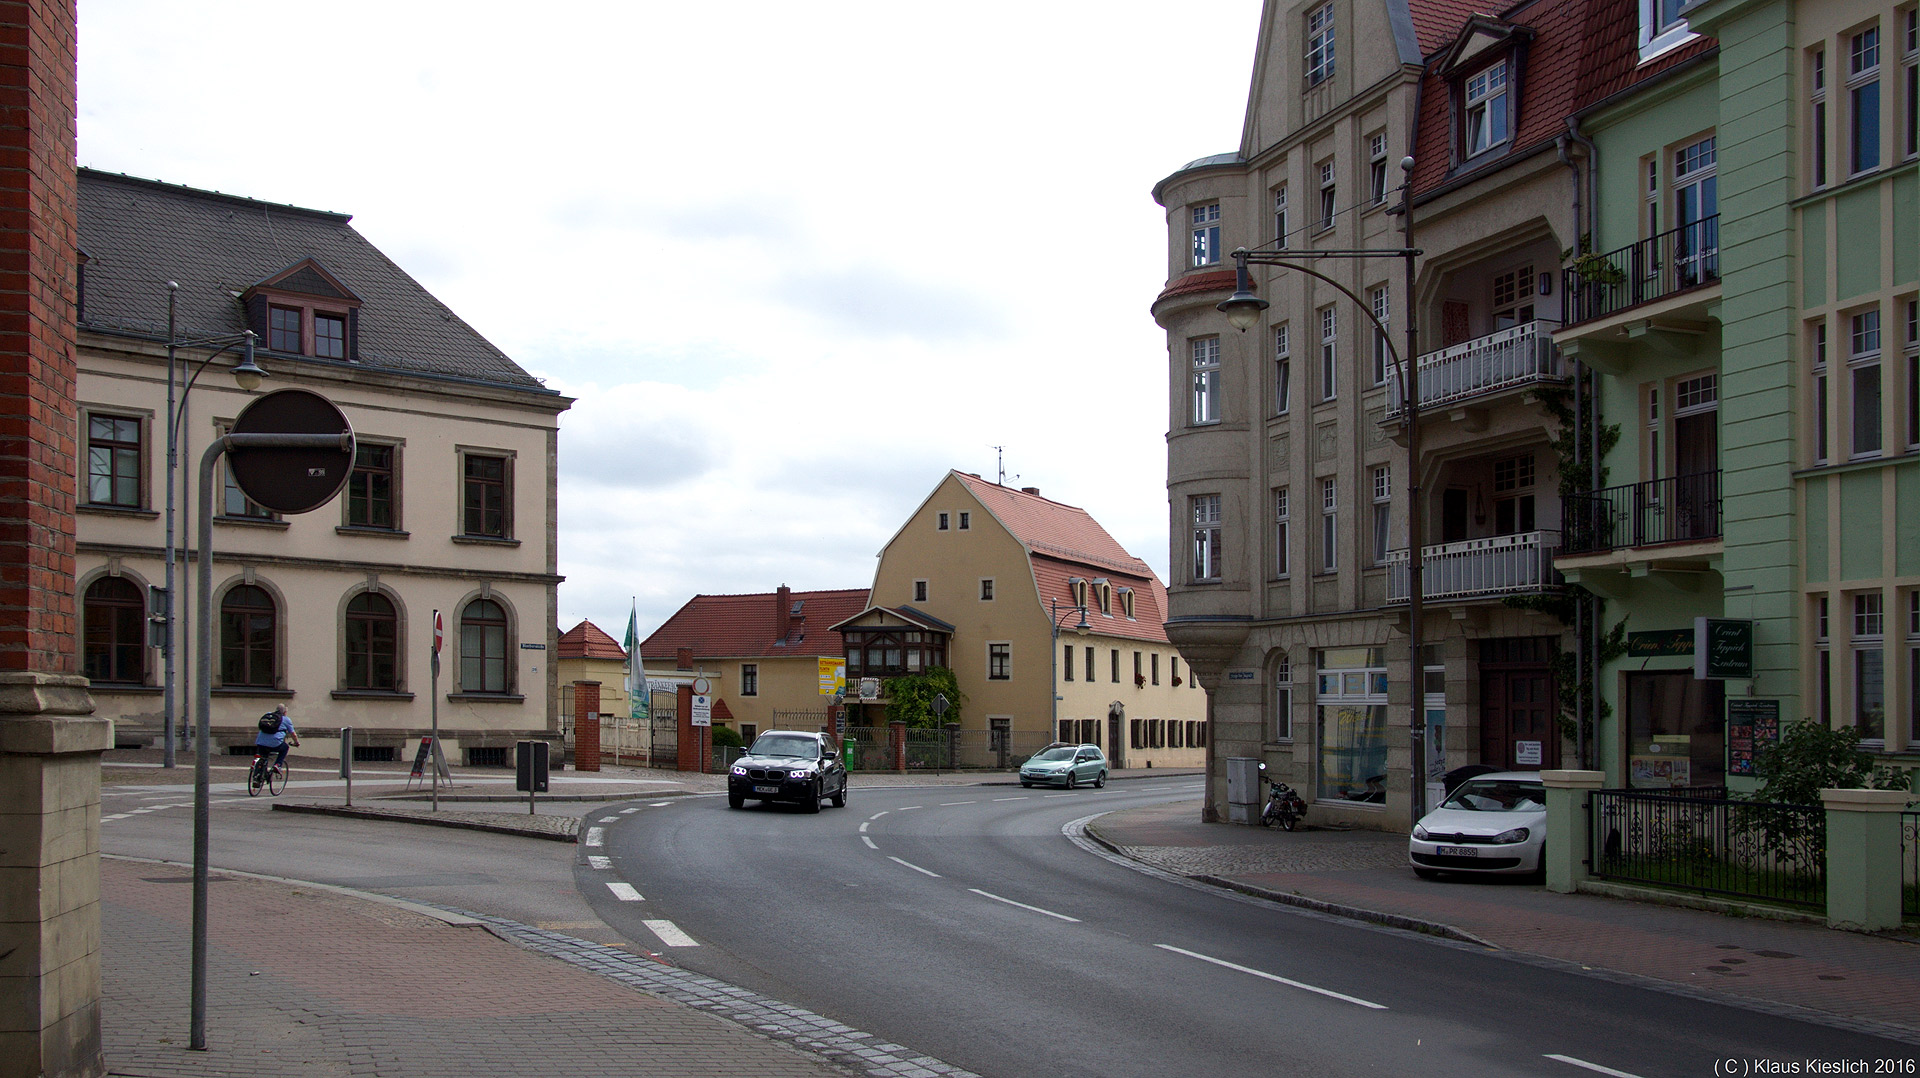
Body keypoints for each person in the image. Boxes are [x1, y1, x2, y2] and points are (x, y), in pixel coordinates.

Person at [254, 704, 299, 773]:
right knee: (285, 748)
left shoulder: (268, 715)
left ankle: (257, 778)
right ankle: (278, 765)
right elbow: (293, 734)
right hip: (274, 744)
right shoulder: (286, 719)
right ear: (285, 712)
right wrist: (296, 743)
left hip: (261, 742)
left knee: (262, 757)